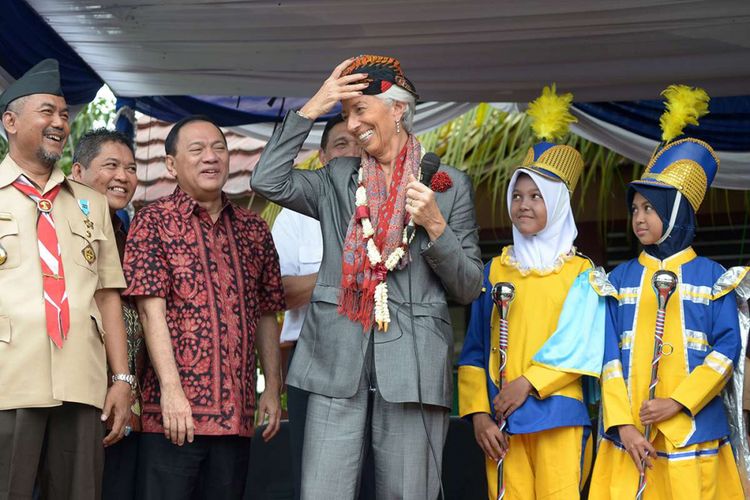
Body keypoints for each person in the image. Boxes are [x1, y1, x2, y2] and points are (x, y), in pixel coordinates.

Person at [251, 55, 483, 499]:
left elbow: (469, 286)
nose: (352, 124)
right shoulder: (337, 178)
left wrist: (436, 226)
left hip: (412, 365)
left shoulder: (448, 185)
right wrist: (313, 107)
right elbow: (267, 181)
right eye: (345, 114)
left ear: (397, 109)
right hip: (334, 361)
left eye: (360, 110)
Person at [589, 85, 747, 499]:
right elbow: (607, 356)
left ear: (677, 214)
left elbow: (726, 348)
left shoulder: (713, 277)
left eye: (650, 209)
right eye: (636, 208)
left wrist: (677, 401)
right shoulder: (619, 279)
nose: (639, 218)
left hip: (692, 435)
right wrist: (624, 424)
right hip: (630, 440)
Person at [123, 115, 286, 499]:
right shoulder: (153, 223)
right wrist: (172, 391)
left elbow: (267, 311)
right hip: (173, 418)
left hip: (237, 418)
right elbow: (151, 313)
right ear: (171, 164)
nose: (210, 157)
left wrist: (272, 387)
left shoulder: (253, 229)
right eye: (196, 150)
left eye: (219, 148)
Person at [458, 85, 607, 499]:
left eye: (537, 196)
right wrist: (479, 417)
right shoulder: (494, 269)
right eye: (518, 195)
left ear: (559, 205)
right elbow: (473, 349)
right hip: (501, 424)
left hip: (560, 416)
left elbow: (582, 347)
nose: (524, 205)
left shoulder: (582, 273)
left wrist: (526, 384)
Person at [0, 59, 131, 500]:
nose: (59, 121)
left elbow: (108, 294)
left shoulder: (91, 204)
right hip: (8, 381)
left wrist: (121, 378)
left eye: (63, 113)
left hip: (81, 379)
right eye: (46, 112)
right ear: (11, 122)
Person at [270, 113, 364, 500]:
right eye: (342, 144)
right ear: (323, 158)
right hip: (313, 361)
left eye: (361, 142)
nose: (354, 151)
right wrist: (346, 272)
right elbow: (279, 292)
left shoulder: (398, 209)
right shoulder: (295, 215)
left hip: (379, 363)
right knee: (316, 482)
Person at [71, 128, 143, 500]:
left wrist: (126, 382)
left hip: (126, 395)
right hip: (74, 393)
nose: (123, 176)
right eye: (111, 165)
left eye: (130, 168)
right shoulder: (58, 229)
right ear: (77, 172)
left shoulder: (133, 233)